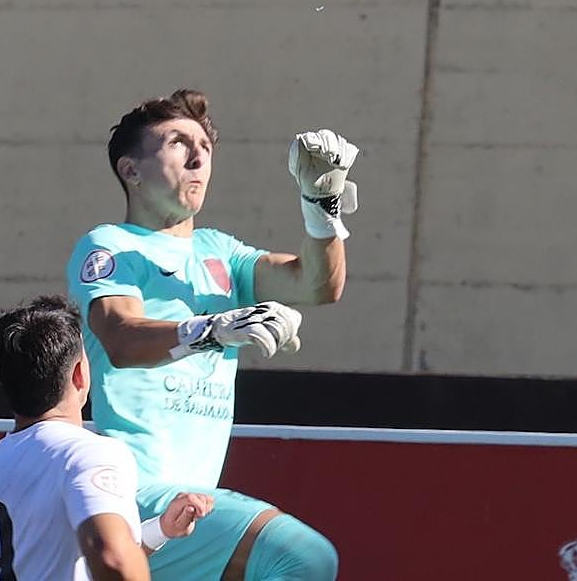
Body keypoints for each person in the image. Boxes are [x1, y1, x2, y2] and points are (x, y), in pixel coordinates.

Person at [67, 89, 358, 581]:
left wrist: (321, 207)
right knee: (304, 559)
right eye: (178, 143)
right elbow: (120, 335)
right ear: (131, 171)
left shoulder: (221, 253)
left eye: (204, 146)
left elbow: (319, 285)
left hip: (193, 504)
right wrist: (212, 328)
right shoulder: (109, 244)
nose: (199, 156)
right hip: (132, 494)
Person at [0, 295, 214, 581]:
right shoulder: (87, 453)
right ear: (80, 374)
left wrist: (160, 529)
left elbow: (60, 564)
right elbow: (113, 559)